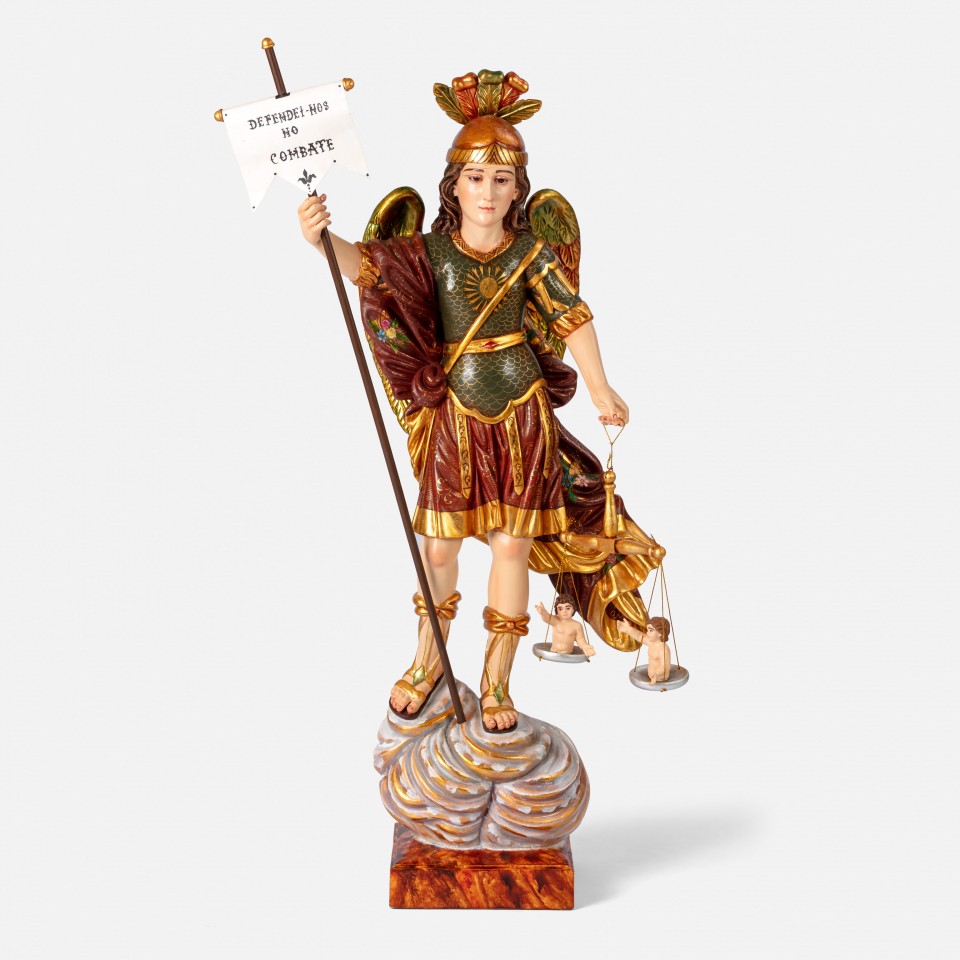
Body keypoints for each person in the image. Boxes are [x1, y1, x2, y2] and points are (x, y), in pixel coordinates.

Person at [297, 70, 647, 732]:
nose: (487, 192)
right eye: (476, 177)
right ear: (453, 185)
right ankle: (427, 661)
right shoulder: (429, 252)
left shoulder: (531, 252)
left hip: (521, 416)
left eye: (501, 179)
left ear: (518, 189)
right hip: (453, 419)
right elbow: (368, 269)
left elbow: (571, 315)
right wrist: (321, 238)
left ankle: (496, 683)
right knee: (437, 550)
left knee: (512, 548)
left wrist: (600, 387)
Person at [618, 616, 672, 683]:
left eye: (651, 630)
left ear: (660, 633)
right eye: (647, 630)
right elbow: (639, 636)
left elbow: (665, 667)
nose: (647, 633)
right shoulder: (651, 643)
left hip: (660, 678)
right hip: (652, 676)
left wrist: (655, 675)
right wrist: (628, 629)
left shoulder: (663, 650)